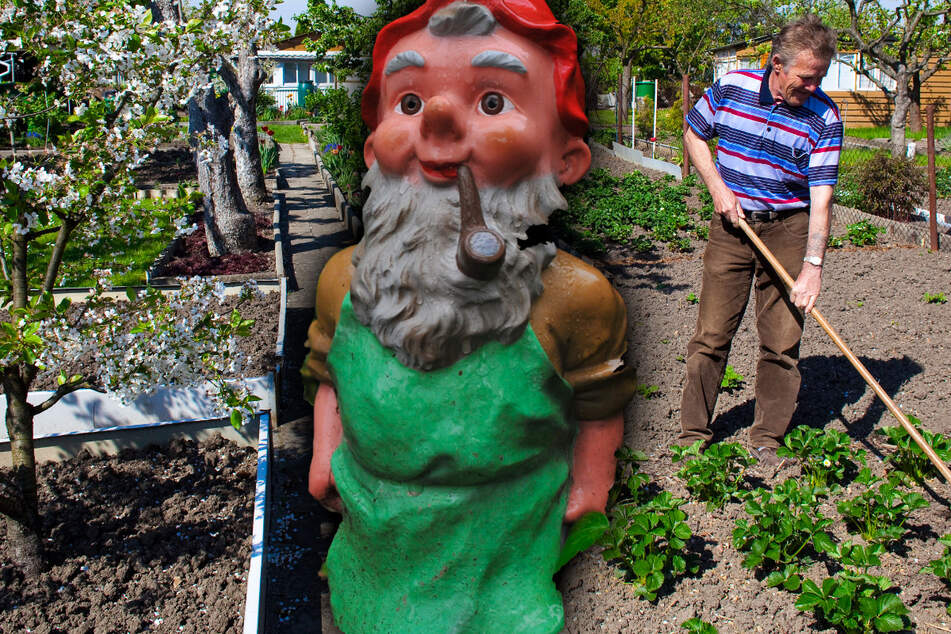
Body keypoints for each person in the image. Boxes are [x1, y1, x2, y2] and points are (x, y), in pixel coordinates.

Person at [300, 1, 636, 631]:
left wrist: (591, 485)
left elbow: (599, 399)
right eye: (409, 103)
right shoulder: (343, 281)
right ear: (373, 151)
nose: (439, 121)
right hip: (377, 533)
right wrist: (326, 453)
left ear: (565, 160)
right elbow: (330, 373)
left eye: (491, 102)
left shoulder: (574, 298)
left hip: (503, 547)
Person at [678, 15, 842, 467]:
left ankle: (767, 438)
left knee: (782, 342)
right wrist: (717, 187)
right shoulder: (731, 88)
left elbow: (822, 201)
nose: (814, 86)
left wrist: (812, 267)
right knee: (711, 334)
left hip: (789, 228)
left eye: (821, 77)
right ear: (777, 65)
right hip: (732, 227)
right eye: (807, 78)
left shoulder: (825, 116)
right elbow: (694, 133)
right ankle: (693, 434)